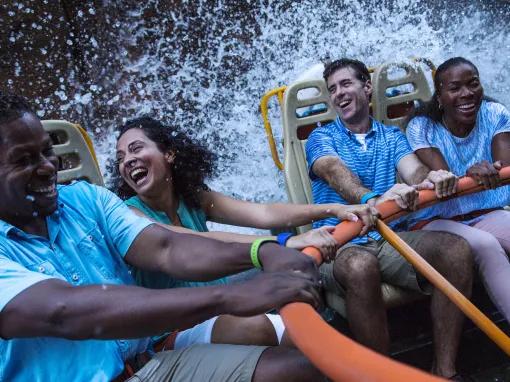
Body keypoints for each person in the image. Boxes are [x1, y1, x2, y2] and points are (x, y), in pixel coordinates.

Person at [0, 94, 327, 381]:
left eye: (46, 152)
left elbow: (167, 247)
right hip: (162, 343)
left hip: (146, 364)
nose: (46, 168)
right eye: (24, 161)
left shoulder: (87, 199)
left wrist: (264, 250)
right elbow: (65, 312)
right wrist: (232, 296)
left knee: (308, 371)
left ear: (169, 154)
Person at [304, 58, 474, 379]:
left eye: (346, 84)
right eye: (333, 89)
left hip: (388, 238)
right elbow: (334, 172)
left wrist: (431, 178)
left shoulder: (392, 137)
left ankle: (445, 371)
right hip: (338, 245)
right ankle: (383, 376)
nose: (339, 93)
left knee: (457, 250)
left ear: (366, 87)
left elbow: (414, 171)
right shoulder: (321, 138)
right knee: (359, 265)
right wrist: (372, 199)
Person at [406, 56, 510, 321]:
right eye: (455, 88)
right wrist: (469, 173)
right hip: (437, 220)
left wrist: (493, 168)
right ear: (439, 96)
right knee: (486, 245)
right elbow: (444, 179)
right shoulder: (422, 127)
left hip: (485, 212)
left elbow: (505, 166)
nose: (467, 94)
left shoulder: (494, 113)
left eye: (473, 84)